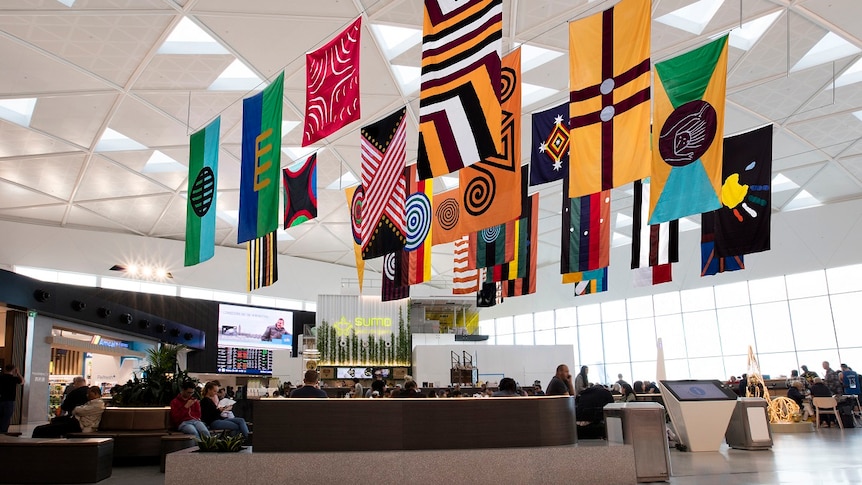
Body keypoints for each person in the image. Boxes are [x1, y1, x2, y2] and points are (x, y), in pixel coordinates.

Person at [32, 386, 104, 438]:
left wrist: (77, 410)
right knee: (54, 422)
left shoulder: (98, 405)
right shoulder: (92, 403)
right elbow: (78, 410)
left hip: (79, 425)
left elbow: (78, 410)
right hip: (76, 422)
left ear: (95, 394)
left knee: (40, 430)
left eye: (89, 393)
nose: (87, 395)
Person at [0, 364, 24, 433]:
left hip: (1, 400)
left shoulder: (1, 377)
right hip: (9, 401)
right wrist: (18, 373)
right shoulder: (14, 379)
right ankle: (3, 432)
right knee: (6, 418)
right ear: (13, 370)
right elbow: (22, 381)